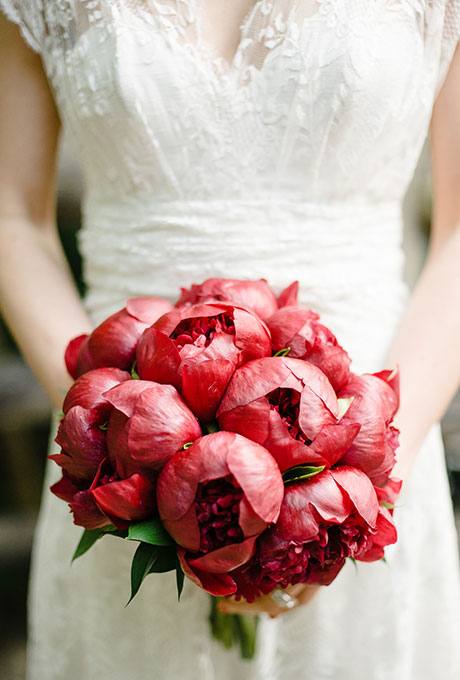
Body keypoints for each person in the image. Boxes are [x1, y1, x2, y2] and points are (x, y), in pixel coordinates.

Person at [0, 1, 459, 678]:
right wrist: (109, 438)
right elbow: (13, 215)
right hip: (120, 467)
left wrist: (366, 487)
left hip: (364, 459)